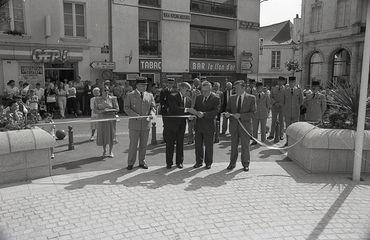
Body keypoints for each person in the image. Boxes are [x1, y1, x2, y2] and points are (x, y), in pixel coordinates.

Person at [124, 77, 156, 170]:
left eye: (145, 85)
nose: (144, 87)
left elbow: (153, 107)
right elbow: (126, 108)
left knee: (144, 145)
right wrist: (135, 115)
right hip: (134, 124)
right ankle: (130, 163)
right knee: (133, 145)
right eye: (142, 85)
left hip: (146, 124)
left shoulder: (149, 95)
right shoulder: (130, 95)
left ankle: (142, 161)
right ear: (137, 85)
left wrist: (152, 113)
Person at [224, 80, 256, 171]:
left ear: (243, 87)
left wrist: (241, 116)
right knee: (234, 145)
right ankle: (232, 163)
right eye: (235, 88)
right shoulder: (232, 98)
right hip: (234, 126)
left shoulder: (251, 98)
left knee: (245, 146)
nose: (235, 89)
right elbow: (228, 109)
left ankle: (245, 163)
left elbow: (253, 113)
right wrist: (227, 114)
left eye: (237, 88)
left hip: (245, 126)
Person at [192, 81, 220, 169]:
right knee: (198, 145)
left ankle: (208, 163)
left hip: (209, 126)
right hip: (199, 125)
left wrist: (204, 114)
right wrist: (192, 114)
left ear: (210, 89)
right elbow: (195, 109)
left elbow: (216, 111)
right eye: (203, 90)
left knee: (208, 146)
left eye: (206, 91)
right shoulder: (199, 97)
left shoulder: (216, 98)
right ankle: (199, 162)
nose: (204, 93)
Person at [165, 82, 192, 169]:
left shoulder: (188, 100)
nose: (188, 92)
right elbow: (174, 108)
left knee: (180, 144)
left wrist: (190, 117)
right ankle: (169, 163)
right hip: (172, 125)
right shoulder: (173, 96)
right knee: (170, 144)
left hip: (182, 125)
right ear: (182, 88)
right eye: (187, 90)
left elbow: (187, 112)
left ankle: (179, 162)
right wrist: (187, 110)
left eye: (189, 90)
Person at [94, 85, 119, 158]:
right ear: (101, 91)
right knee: (103, 135)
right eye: (104, 90)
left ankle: (110, 151)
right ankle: (104, 150)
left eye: (107, 90)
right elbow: (95, 110)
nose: (106, 92)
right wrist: (103, 111)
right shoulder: (97, 99)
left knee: (111, 135)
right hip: (102, 119)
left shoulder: (113, 98)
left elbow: (117, 109)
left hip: (111, 119)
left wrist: (109, 110)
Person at [268, 76, 286, 140]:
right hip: (274, 106)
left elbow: (286, 98)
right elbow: (271, 97)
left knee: (281, 121)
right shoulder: (273, 88)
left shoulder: (286, 89)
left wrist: (280, 104)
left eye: (281, 81)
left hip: (282, 107)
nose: (280, 82)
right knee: (273, 120)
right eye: (279, 81)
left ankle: (281, 135)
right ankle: (272, 134)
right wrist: (275, 103)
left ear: (284, 82)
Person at [159, 78, 175, 143]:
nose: (170, 84)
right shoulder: (163, 91)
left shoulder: (175, 91)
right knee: (165, 125)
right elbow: (161, 101)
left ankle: (173, 139)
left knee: (173, 125)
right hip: (165, 111)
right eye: (169, 83)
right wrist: (166, 107)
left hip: (173, 111)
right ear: (167, 83)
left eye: (171, 83)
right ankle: (165, 139)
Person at [188, 78, 202, 144]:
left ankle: (198, 139)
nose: (196, 84)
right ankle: (190, 139)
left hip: (199, 111)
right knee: (190, 126)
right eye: (195, 82)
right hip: (191, 110)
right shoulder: (190, 90)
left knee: (198, 127)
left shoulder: (202, 90)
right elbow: (188, 99)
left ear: (199, 83)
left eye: (197, 82)